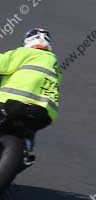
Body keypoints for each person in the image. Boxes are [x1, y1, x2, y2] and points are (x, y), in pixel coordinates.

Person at [0, 28, 61, 165]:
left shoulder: (26, 52)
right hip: (45, 115)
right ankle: (26, 150)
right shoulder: (56, 66)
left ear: (27, 41)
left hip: (12, 103)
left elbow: (2, 64)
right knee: (28, 128)